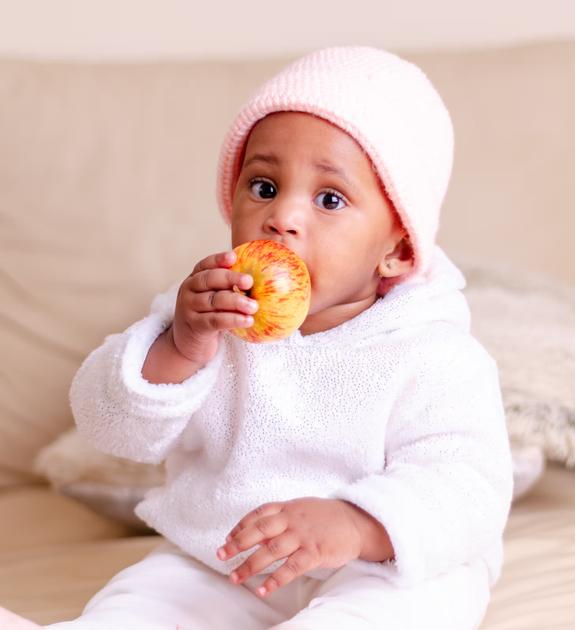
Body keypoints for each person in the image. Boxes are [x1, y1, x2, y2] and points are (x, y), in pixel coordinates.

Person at [0, 45, 513, 630]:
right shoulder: (204, 318)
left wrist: (355, 523)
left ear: (397, 250)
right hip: (226, 558)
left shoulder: (435, 354)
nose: (283, 217)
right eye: (264, 187)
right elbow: (108, 426)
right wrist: (178, 348)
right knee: (145, 601)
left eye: (329, 199)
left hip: (380, 560)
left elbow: (467, 488)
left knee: (411, 604)